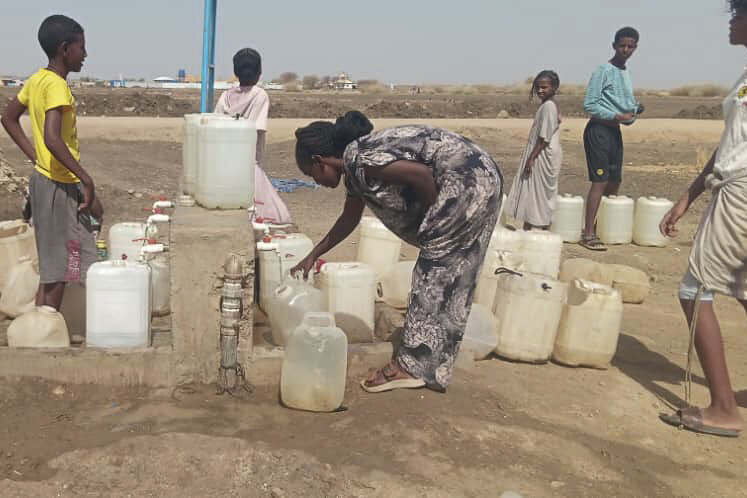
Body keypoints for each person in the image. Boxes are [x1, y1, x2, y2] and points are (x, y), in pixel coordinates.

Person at [291, 111, 503, 393]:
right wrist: (313, 254)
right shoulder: (356, 168)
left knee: (432, 274)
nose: (316, 181)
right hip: (483, 176)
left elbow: (422, 175)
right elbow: (349, 219)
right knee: (455, 274)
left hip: (465, 184)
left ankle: (410, 367)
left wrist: (431, 221)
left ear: (319, 161)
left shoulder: (358, 159)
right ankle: (435, 362)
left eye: (311, 174)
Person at [658, 2, 747, 438]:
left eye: (739, 11)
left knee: (694, 289)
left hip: (742, 193)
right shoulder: (745, 78)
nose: (732, 19)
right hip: (731, 185)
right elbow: (731, 143)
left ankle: (724, 409)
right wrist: (687, 197)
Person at [1, 14, 101, 313]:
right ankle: (47, 336)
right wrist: (86, 179)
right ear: (64, 48)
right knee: (58, 268)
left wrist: (36, 157)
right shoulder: (56, 85)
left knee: (66, 253)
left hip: (50, 180)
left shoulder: (36, 79)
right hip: (57, 184)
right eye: (81, 47)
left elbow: (8, 118)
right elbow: (53, 138)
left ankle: (41, 326)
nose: (85, 54)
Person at [580, 26, 644, 251]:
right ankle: (588, 233)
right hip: (598, 130)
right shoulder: (602, 71)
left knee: (614, 180)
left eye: (630, 46)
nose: (626, 49)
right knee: (600, 181)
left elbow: (623, 104)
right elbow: (589, 105)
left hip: (614, 131)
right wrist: (616, 115)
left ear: (635, 48)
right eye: (622, 45)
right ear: (614, 45)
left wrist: (633, 111)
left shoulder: (625, 73)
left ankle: (602, 227)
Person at [214, 48, 291, 224]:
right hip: (248, 161)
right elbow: (258, 129)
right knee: (262, 209)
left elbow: (216, 125)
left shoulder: (225, 97)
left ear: (235, 72)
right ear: (259, 72)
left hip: (224, 159)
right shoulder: (260, 95)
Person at [505, 70, 562, 230]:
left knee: (537, 194)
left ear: (554, 87)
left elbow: (544, 138)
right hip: (542, 151)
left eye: (544, 87)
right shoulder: (549, 105)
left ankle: (536, 228)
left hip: (542, 153)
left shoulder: (549, 106)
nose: (540, 91)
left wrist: (531, 158)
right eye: (538, 87)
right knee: (536, 193)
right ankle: (530, 227)